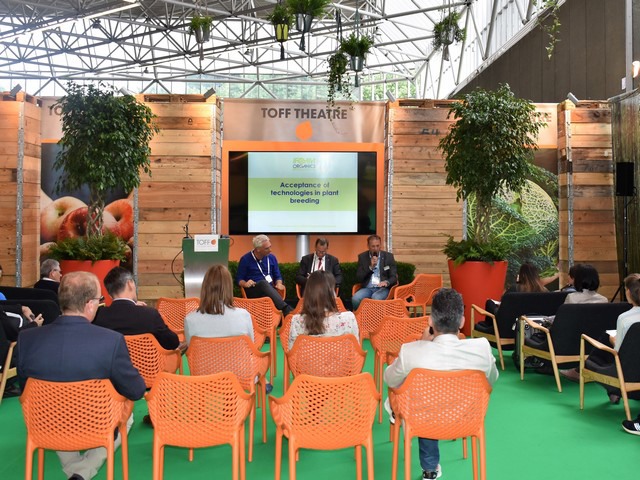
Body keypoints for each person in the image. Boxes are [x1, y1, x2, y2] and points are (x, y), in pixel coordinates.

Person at [17, 271, 145, 480]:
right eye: (99, 300)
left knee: (57, 412)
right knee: (127, 415)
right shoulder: (111, 341)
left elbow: (24, 391)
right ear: (90, 305)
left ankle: (77, 471)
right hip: (95, 424)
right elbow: (136, 390)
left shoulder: (27, 339)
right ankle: (82, 473)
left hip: (46, 423)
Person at [384, 288, 499, 479]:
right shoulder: (482, 349)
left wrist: (421, 343)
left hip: (423, 421)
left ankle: (429, 468)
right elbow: (492, 379)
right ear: (462, 322)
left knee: (413, 395)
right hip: (466, 419)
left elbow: (389, 379)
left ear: (430, 321)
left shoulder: (410, 351)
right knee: (428, 403)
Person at [560, 273, 640, 401]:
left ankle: (583, 372)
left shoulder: (625, 318)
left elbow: (618, 352)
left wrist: (613, 340)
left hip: (627, 376)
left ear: (629, 293)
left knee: (606, 339)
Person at [93, 266, 181, 351]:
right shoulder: (150, 315)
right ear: (130, 284)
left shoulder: (98, 316)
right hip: (146, 361)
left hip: (111, 361)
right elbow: (172, 343)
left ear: (109, 294)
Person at [184, 264, 254, 345]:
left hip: (206, 353)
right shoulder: (244, 316)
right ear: (229, 287)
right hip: (237, 353)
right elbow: (250, 345)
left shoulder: (190, 320)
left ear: (204, 287)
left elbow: (191, 349)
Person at [288, 270, 359, 350]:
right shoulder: (349, 318)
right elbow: (356, 352)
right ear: (332, 292)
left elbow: (292, 354)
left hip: (309, 358)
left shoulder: (296, 321)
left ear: (307, 293)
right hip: (340, 358)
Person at [236, 234, 293, 316]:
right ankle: (286, 309)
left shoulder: (272, 257)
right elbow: (239, 279)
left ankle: (283, 312)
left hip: (271, 290)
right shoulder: (245, 259)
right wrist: (245, 284)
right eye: (267, 248)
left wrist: (279, 283)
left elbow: (277, 275)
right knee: (263, 283)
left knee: (267, 286)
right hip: (254, 289)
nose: (270, 250)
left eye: (270, 247)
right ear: (258, 249)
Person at [351, 234, 398, 310]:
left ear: (380, 245)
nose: (375, 248)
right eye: (373, 246)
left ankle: (375, 317)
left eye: (377, 246)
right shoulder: (362, 257)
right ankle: (361, 316)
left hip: (383, 288)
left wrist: (386, 282)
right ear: (368, 246)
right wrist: (370, 267)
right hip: (368, 288)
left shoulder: (388, 257)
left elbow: (394, 276)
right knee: (355, 299)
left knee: (375, 297)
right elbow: (359, 277)